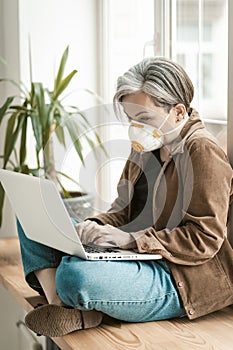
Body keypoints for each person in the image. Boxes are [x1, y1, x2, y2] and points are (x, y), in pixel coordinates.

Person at [17, 57, 233, 338]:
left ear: (178, 113)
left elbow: (204, 240)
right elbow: (123, 210)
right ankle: (62, 304)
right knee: (33, 216)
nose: (136, 127)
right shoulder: (147, 145)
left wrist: (130, 240)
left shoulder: (202, 152)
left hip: (180, 276)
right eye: (131, 119)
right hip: (140, 257)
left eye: (143, 119)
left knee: (74, 275)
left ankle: (77, 301)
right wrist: (90, 228)